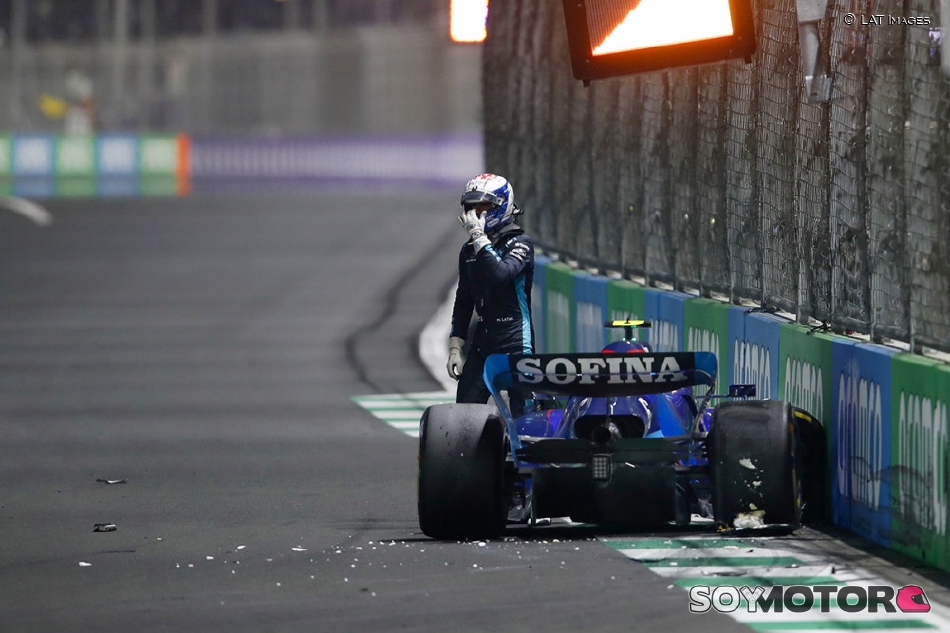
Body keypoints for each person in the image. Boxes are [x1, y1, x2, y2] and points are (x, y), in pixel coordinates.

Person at [447, 173, 535, 417]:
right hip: (483, 344)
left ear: (501, 206)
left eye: (483, 207)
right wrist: (455, 347)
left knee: (525, 419)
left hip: (516, 343)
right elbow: (464, 299)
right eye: (472, 207)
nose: (476, 213)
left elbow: (500, 275)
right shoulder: (468, 251)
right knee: (463, 416)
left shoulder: (520, 243)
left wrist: (479, 238)